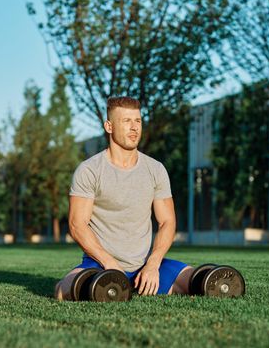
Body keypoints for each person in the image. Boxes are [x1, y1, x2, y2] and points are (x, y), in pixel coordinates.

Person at [54, 96, 195, 300]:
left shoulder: (155, 169)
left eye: (137, 121)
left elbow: (167, 221)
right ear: (109, 126)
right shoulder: (89, 170)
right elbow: (77, 225)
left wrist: (153, 264)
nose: (134, 127)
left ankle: (145, 283)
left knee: (206, 282)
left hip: (146, 266)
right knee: (63, 291)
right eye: (126, 121)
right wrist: (110, 264)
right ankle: (91, 283)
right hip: (100, 265)